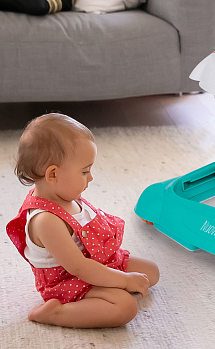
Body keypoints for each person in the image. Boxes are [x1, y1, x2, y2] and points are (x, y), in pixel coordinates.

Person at [6, 113, 160, 328]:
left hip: (94, 262)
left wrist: (118, 275)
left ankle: (106, 286)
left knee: (151, 272)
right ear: (53, 175)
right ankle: (55, 313)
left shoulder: (63, 193)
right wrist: (124, 280)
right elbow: (79, 268)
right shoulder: (46, 221)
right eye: (85, 171)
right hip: (68, 279)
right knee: (125, 307)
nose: (91, 177)